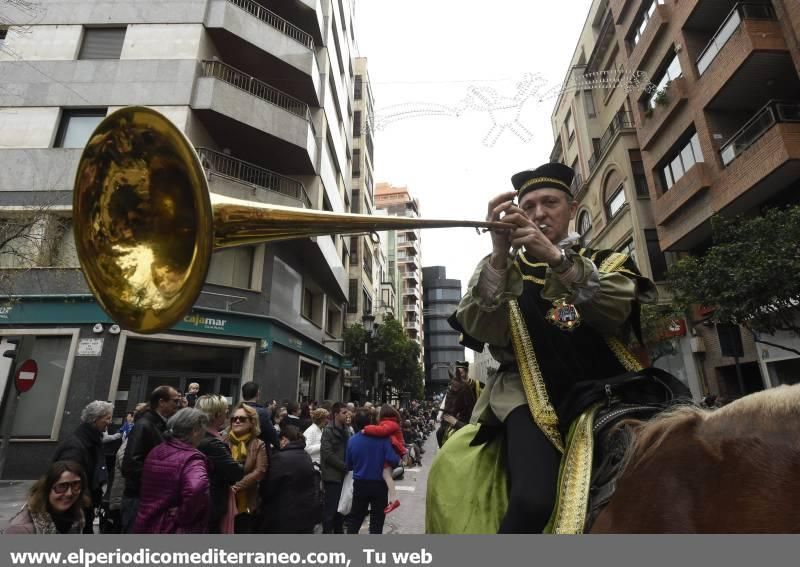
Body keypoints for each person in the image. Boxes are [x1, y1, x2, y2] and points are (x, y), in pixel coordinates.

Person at [447, 162, 658, 533]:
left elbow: (615, 310)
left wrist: (559, 261)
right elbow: (484, 329)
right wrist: (498, 255)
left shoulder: (606, 262)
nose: (539, 213)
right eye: (527, 207)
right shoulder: (500, 272)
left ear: (572, 207)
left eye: (550, 203)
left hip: (610, 385)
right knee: (533, 500)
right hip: (528, 395)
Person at [133, 408, 210, 533]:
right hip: (173, 528)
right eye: (203, 431)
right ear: (196, 430)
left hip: (146, 522)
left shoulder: (156, 450)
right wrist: (182, 515)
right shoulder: (192, 458)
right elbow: (197, 488)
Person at [120, 385, 182, 533]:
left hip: (150, 497)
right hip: (140, 499)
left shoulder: (160, 425)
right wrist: (162, 479)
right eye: (175, 401)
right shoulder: (144, 425)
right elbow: (130, 465)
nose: (178, 405)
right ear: (162, 402)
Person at [51, 400, 113, 534]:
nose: (110, 422)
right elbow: (65, 483)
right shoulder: (76, 447)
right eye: (107, 418)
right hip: (74, 511)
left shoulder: (91, 440)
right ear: (95, 419)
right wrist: (84, 501)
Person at [344, 409, 400, 534]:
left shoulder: (352, 441)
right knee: (377, 521)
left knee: (355, 519)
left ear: (355, 424)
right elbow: (393, 459)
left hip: (360, 483)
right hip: (379, 485)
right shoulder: (384, 440)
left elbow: (349, 465)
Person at [195, 395, 244, 533]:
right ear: (216, 415)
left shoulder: (196, 435)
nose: (228, 415)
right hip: (212, 500)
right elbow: (235, 472)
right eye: (225, 411)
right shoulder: (213, 442)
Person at [261, 425, 320, 534]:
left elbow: (268, 488)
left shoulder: (280, 458)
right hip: (305, 514)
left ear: (284, 439)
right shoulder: (305, 455)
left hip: (285, 515)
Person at [4, 461, 89, 534]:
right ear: (47, 489)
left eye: (76, 485)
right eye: (61, 486)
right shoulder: (21, 529)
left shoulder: (77, 515)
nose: (69, 493)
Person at [225, 402, 268, 533]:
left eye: (242, 419)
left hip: (246, 501)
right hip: (224, 500)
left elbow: (260, 471)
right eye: (234, 419)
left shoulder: (258, 444)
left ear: (252, 422)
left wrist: (236, 487)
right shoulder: (223, 440)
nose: (237, 421)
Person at [362, 405, 407, 514]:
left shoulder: (390, 424)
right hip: (393, 451)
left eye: (378, 413)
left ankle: (394, 500)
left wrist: (366, 429)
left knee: (386, 475)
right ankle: (392, 500)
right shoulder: (391, 423)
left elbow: (381, 431)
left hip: (393, 452)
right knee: (386, 475)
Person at [320, 402, 350, 534]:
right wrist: (344, 466)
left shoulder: (346, 429)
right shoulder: (328, 430)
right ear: (336, 414)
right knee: (330, 510)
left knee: (341, 509)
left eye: (347, 412)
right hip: (333, 476)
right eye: (344, 413)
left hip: (344, 475)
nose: (346, 415)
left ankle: (338, 532)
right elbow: (327, 454)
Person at [437, 361, 480, 447]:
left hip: (476, 417)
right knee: (440, 432)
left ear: (466, 372)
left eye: (461, 373)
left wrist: (457, 422)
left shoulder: (477, 385)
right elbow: (449, 399)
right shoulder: (455, 384)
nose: (459, 375)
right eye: (457, 373)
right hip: (460, 415)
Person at [241, 382, 279, 451]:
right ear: (257, 394)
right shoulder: (262, 413)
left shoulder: (236, 410)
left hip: (237, 451)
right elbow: (272, 435)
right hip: (256, 452)